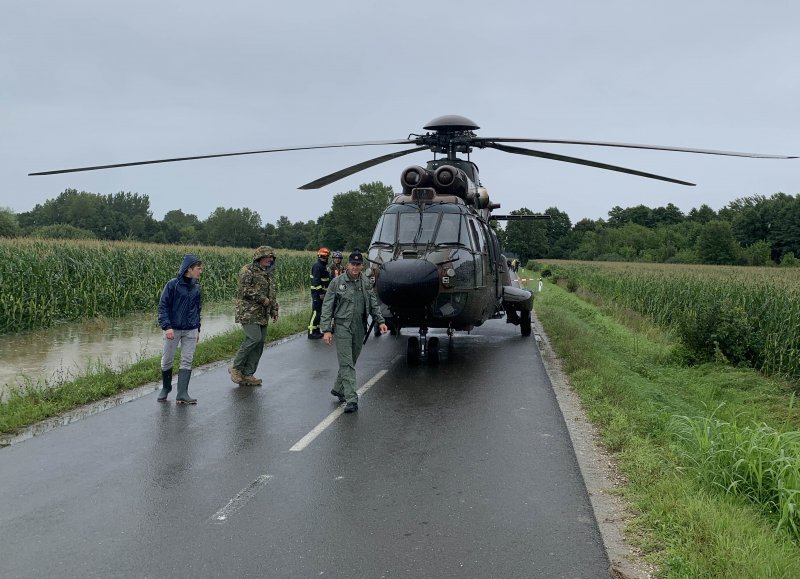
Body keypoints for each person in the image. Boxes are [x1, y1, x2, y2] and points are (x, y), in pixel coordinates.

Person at [320, 250, 388, 413]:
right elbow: (327, 306)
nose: (355, 267)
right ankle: (351, 399)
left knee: (351, 360)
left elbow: (372, 301)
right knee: (346, 362)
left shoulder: (365, 282)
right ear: (347, 265)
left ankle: (338, 388)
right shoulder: (337, 282)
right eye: (353, 264)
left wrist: (380, 321)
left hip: (359, 326)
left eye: (358, 265)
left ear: (361, 266)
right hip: (343, 326)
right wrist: (327, 329)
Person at [229, 246, 279, 386]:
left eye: (271, 257)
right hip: (248, 311)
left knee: (260, 342)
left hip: (262, 313)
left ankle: (248, 374)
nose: (270, 259)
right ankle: (236, 367)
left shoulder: (268, 273)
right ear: (259, 257)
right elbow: (244, 289)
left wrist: (274, 309)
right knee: (254, 337)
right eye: (267, 256)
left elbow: (272, 293)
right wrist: (261, 298)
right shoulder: (248, 270)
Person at [157, 254, 203, 404]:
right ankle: (166, 387)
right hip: (173, 329)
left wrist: (198, 329)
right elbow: (163, 307)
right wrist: (167, 326)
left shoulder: (196, 287)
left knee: (187, 360)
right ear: (189, 269)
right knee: (167, 361)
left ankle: (182, 394)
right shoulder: (172, 285)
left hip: (191, 329)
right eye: (198, 268)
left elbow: (198, 309)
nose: (200, 271)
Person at [308, 247, 331, 339]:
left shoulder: (323, 266)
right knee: (315, 312)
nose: (324, 258)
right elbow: (316, 282)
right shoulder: (317, 266)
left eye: (326, 257)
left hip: (321, 293)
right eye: (323, 257)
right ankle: (311, 332)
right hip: (317, 294)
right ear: (319, 256)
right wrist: (321, 293)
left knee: (319, 313)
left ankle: (316, 330)